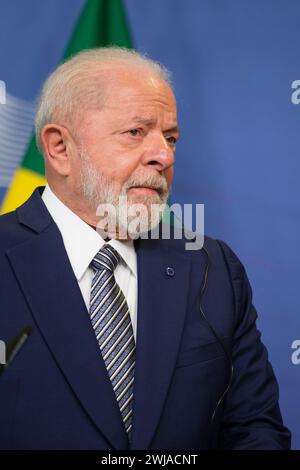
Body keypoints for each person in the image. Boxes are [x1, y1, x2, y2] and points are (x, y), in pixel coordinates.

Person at [0, 47, 291, 450]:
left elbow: (254, 428)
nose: (164, 155)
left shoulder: (214, 267)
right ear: (60, 149)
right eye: (136, 132)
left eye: (170, 138)